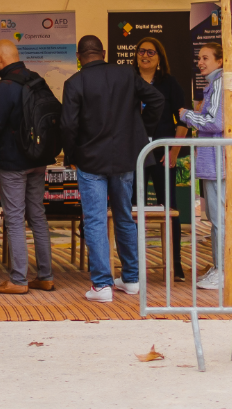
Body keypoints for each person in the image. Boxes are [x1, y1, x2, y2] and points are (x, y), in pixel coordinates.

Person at [61, 34, 165, 303]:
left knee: (95, 220)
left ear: (78, 57)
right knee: (123, 216)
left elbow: (69, 126)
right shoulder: (126, 74)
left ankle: (101, 285)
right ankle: (131, 279)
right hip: (124, 157)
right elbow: (157, 101)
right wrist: (141, 131)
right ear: (103, 52)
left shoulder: (75, 82)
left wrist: (71, 155)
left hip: (90, 159)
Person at [0, 39, 57, 294]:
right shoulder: (37, 80)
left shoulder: (7, 85)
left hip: (13, 162)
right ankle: (45, 276)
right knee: (37, 216)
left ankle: (18, 280)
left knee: (14, 219)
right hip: (38, 159)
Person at [179, 42, 232, 291]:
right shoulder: (217, 85)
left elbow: (215, 122)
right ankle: (220, 267)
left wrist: (187, 114)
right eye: (199, 58)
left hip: (219, 161)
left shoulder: (219, 85)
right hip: (218, 160)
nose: (200, 62)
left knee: (218, 218)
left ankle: (223, 270)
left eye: (205, 58)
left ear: (219, 61)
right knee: (216, 216)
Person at [134, 36, 191, 280]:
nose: (145, 55)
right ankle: (133, 266)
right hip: (134, 153)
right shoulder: (128, 80)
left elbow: (184, 118)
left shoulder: (169, 83)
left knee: (169, 209)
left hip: (162, 154)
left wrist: (174, 151)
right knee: (132, 210)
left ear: (159, 58)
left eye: (150, 52)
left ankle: (175, 264)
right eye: (141, 51)